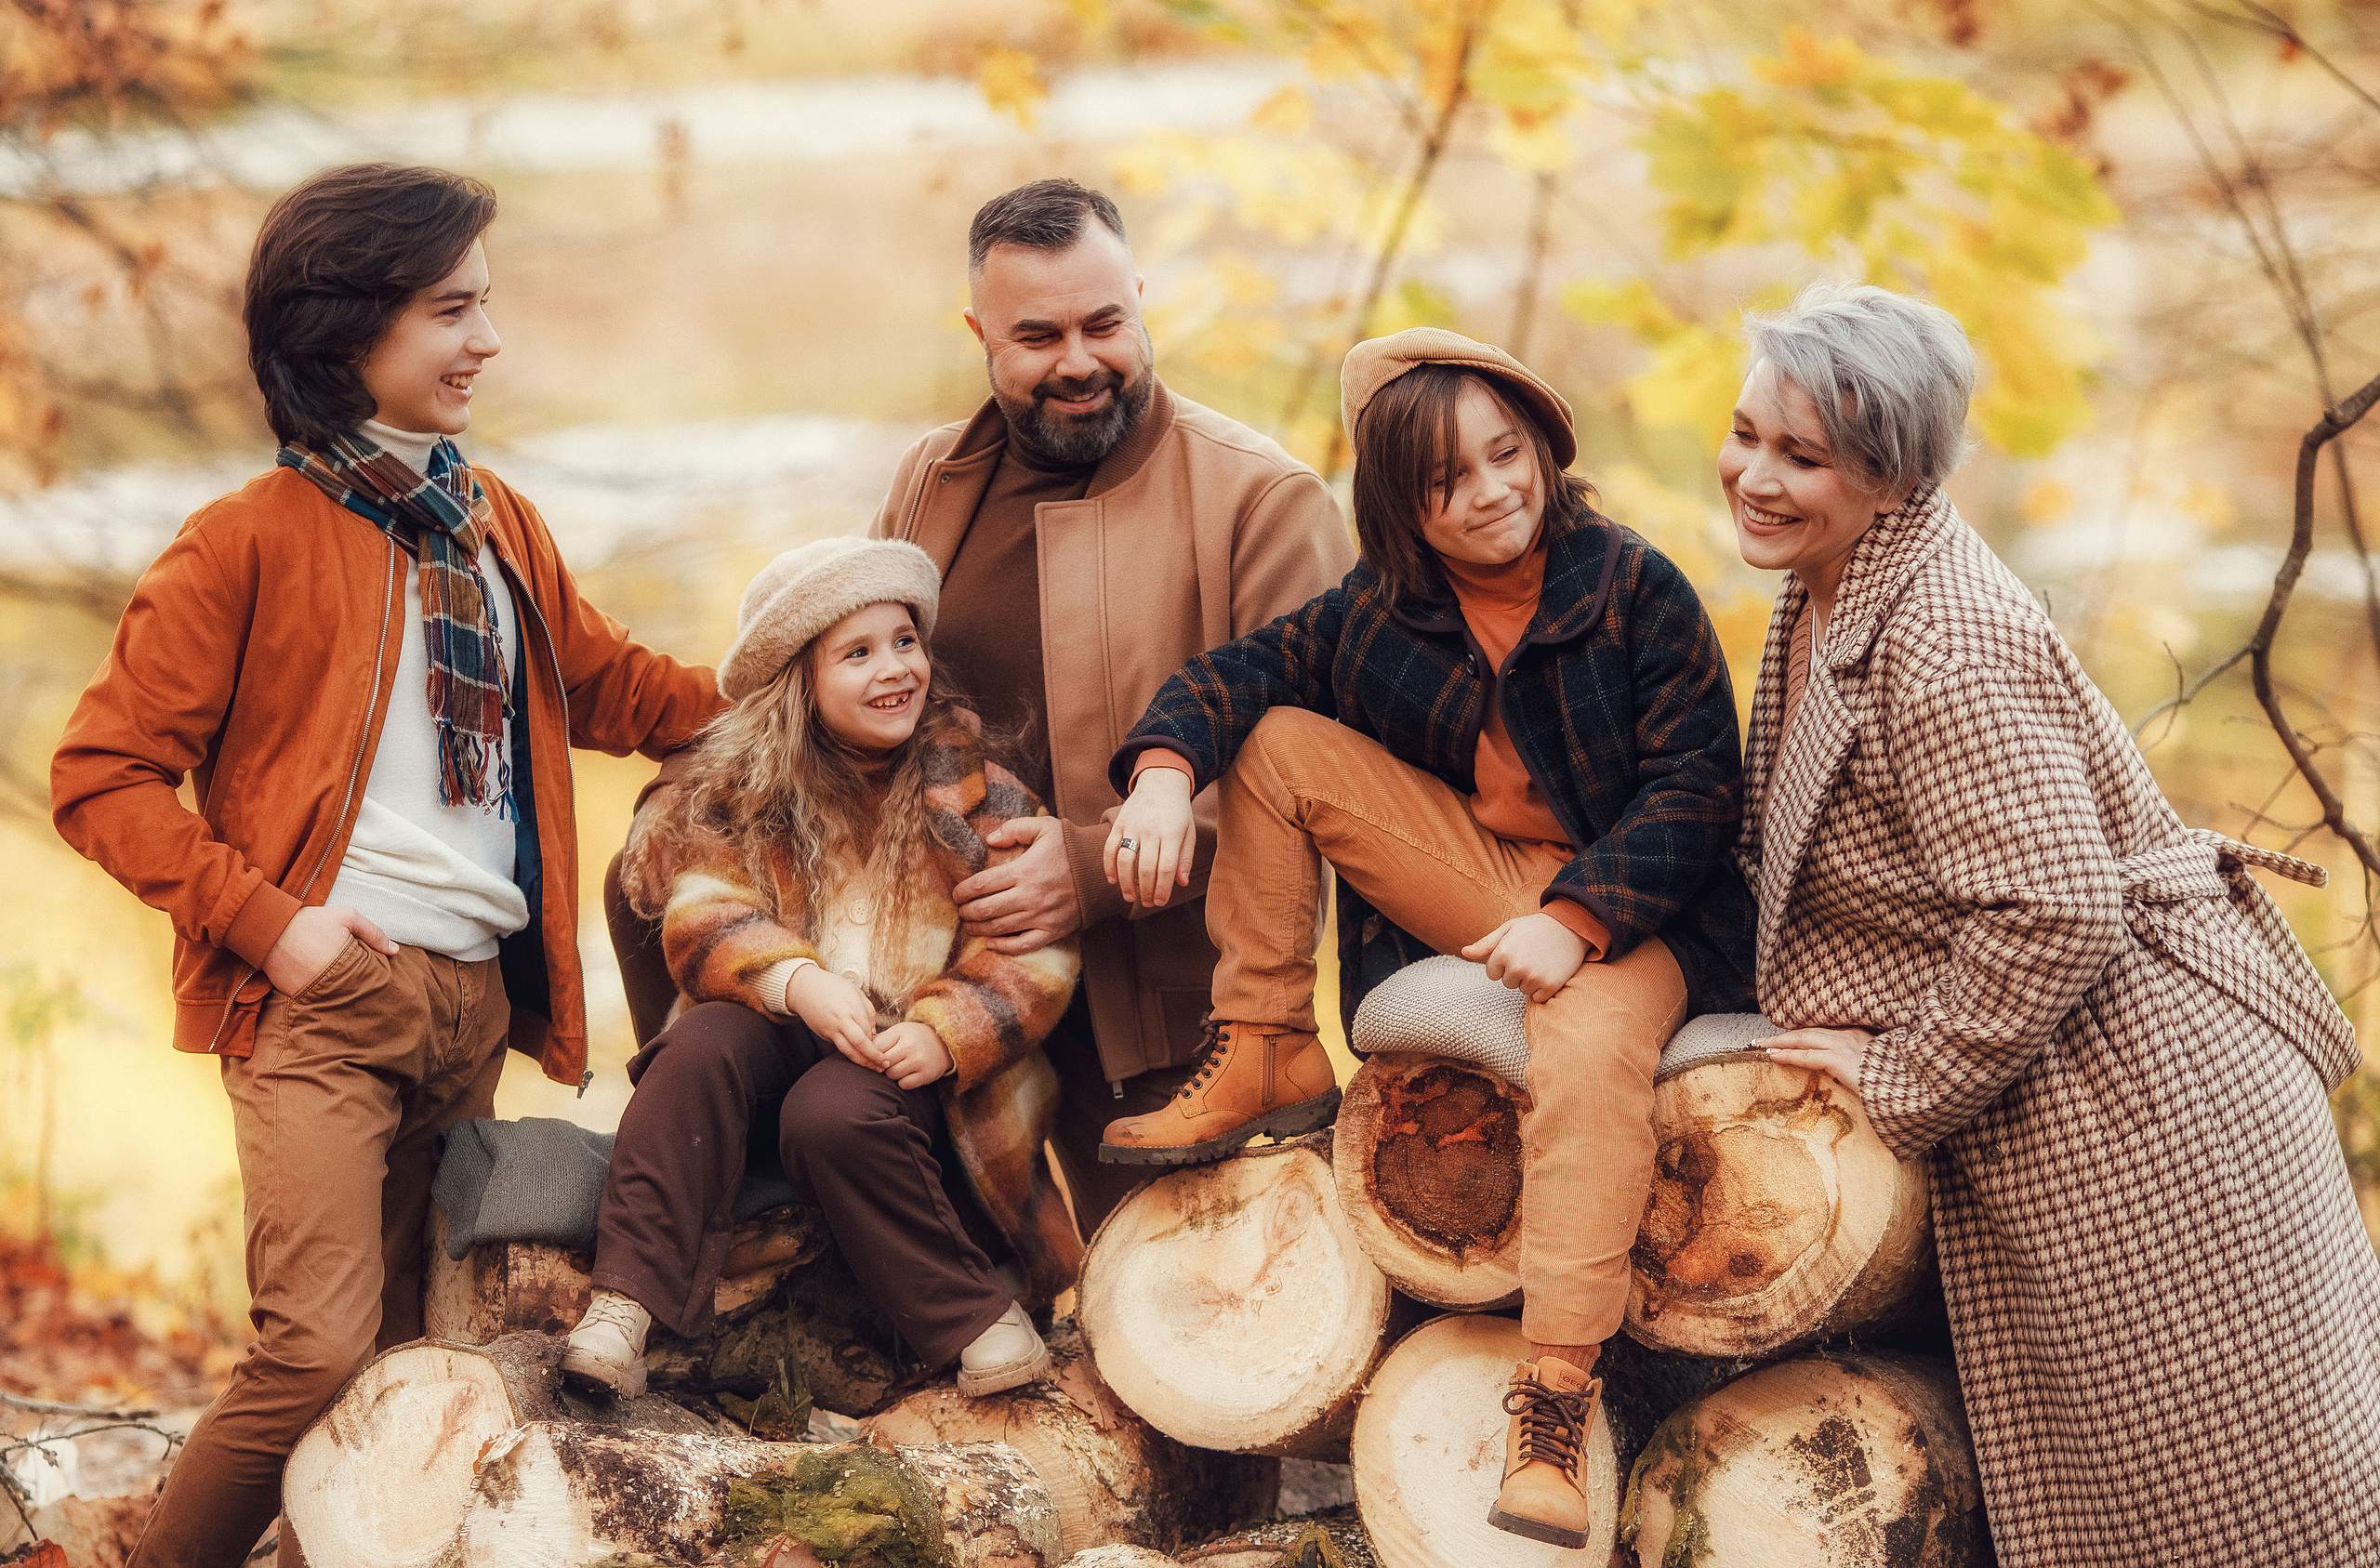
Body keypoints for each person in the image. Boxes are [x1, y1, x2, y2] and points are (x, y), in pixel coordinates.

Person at [49, 164, 723, 1568]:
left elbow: (618, 690)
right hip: (322, 998)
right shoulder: (246, 541)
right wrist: (272, 923)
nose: (486, 339)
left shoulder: (498, 527)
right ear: (345, 326)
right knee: (311, 1350)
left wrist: (814, 678)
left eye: (485, 305)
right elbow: (100, 774)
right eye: (451, 310)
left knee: (414, 1364)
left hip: (472, 1000)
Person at [1729, 283, 2380, 1565]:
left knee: (2236, 1518)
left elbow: (2055, 906)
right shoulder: (1831, 577)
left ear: (1892, 477)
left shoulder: (1945, 640)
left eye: (1799, 455)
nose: (1753, 474)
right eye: (1747, 431)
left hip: (2149, 1119)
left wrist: (1906, 1076)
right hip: (2088, 1087)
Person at [1099, 328, 1755, 1549]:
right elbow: (1247, 669)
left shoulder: (1629, 583)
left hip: (1652, 904)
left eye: (1507, 455)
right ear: (1405, 510)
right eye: (1449, 481)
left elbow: (1697, 791)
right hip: (1497, 876)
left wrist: (1578, 919)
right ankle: (1264, 1043)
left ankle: (1554, 1406)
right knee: (1282, 742)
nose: (1492, 493)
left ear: (1545, 447)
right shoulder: (1385, 610)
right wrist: (1159, 768)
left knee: (1584, 1035)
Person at [605, 178, 1353, 1236]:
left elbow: (1321, 779)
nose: (1079, 360)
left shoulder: (1261, 503)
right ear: (980, 335)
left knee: (1179, 1311)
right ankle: (729, 1210)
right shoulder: (930, 477)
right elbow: (836, 684)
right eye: (1037, 335)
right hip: (924, 982)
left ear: (1141, 297)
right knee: (657, 852)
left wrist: (1089, 869)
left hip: (1152, 1001)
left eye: (1105, 322)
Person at [561, 537, 1081, 1403]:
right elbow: (702, 910)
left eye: (905, 641)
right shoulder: (744, 794)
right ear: (799, 682)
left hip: (917, 1086)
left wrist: (944, 1033)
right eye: (859, 652)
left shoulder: (979, 794)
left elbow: (1034, 951)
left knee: (833, 1108)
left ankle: (982, 1319)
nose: (895, 669)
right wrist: (798, 982)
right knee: (697, 1048)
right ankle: (626, 1306)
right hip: (787, 1031)